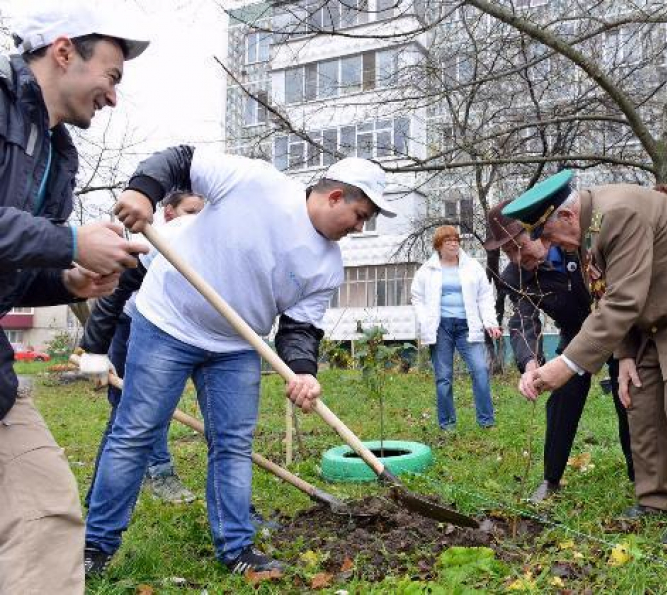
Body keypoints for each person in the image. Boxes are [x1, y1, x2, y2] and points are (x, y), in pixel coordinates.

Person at [84, 150, 395, 577]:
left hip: (235, 347)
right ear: (335, 196)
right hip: (167, 324)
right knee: (136, 433)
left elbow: (300, 329)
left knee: (232, 445)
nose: (359, 227)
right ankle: (93, 549)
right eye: (360, 215)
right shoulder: (255, 183)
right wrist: (143, 192)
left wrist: (303, 370)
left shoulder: (327, 266)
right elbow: (179, 160)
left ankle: (236, 550)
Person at [504, 171, 667, 549]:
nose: (550, 247)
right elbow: (606, 293)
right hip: (662, 312)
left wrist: (567, 365)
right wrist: (624, 355)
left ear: (567, 217)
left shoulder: (619, 214)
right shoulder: (588, 227)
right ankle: (658, 499)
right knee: (640, 395)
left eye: (549, 236)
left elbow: (624, 300)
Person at [0, 4, 149, 593]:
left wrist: (65, 280)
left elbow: (11, 267)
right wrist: (68, 241)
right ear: (64, 52)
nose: (112, 96)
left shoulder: (60, 155)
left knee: (48, 513)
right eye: (110, 76)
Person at [485, 201, 633, 503]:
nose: (517, 257)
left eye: (519, 246)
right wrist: (529, 364)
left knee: (628, 397)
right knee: (562, 399)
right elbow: (523, 318)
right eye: (508, 252)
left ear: (536, 230)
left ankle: (641, 475)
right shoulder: (516, 276)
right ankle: (551, 478)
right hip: (576, 335)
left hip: (618, 329)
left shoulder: (576, 243)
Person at [81, 191, 205, 508]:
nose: (197, 218)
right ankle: (108, 493)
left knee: (148, 410)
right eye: (190, 210)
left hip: (171, 332)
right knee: (128, 412)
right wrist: (94, 351)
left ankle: (145, 479)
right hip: (129, 325)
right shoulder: (154, 244)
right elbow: (112, 296)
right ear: (168, 213)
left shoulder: (202, 245)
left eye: (202, 212)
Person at [411, 226, 501, 430]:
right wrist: (425, 321)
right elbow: (417, 297)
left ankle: (486, 422)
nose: (453, 243)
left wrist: (491, 323)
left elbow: (485, 296)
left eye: (456, 240)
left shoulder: (472, 267)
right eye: (447, 240)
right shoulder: (427, 270)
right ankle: (447, 425)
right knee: (443, 377)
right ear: (438, 245)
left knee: (480, 370)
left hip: (467, 326)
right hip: (440, 327)